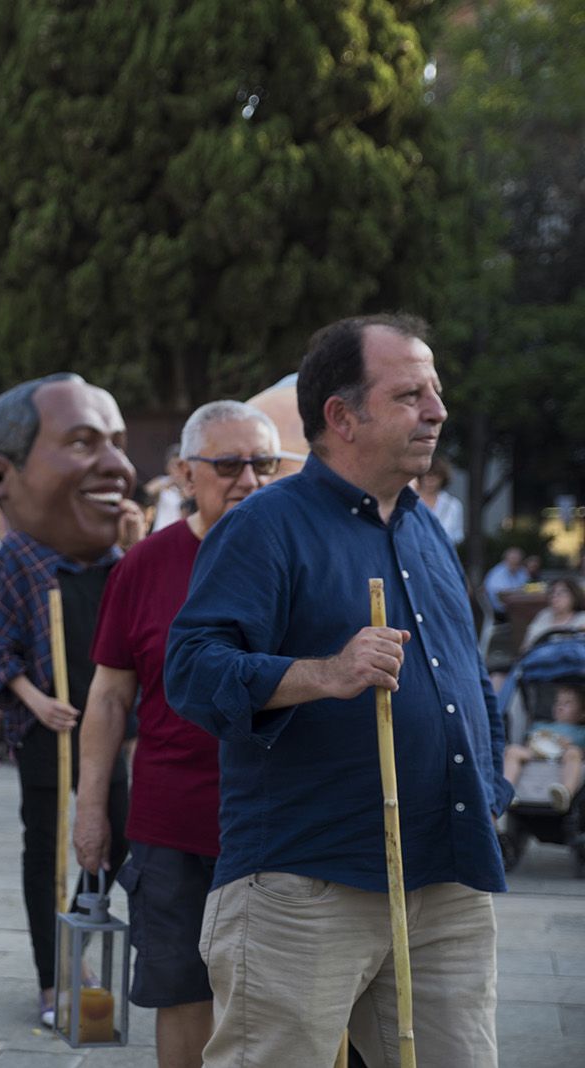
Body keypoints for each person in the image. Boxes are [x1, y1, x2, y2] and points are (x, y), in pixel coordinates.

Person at [166, 314, 509, 1068]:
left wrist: (492, 787)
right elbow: (190, 669)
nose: (437, 411)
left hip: (445, 878)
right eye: (410, 394)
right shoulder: (265, 526)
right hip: (303, 883)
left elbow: (467, 680)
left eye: (436, 391)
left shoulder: (426, 531)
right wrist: (324, 673)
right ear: (342, 416)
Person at [73, 399, 281, 1068]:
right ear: (185, 474)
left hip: (283, 822)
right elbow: (109, 696)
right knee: (181, 993)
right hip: (172, 823)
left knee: (276, 1003)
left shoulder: (299, 556)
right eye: (227, 465)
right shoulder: (145, 565)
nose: (247, 479)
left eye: (263, 464)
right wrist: (91, 807)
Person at [0, 372, 135, 1026]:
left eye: (118, 443)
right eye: (82, 442)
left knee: (114, 837)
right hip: (48, 729)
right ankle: (53, 979)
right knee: (44, 849)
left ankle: (81, 943)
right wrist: (37, 701)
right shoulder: (19, 559)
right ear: (1, 475)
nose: (117, 464)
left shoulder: (121, 562)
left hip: (105, 734)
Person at [504, 683, 585, 812]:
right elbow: (529, 739)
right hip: (537, 753)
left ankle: (565, 793)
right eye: (558, 702)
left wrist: (567, 745)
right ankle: (507, 791)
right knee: (513, 750)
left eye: (567, 704)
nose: (560, 707)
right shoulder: (540, 725)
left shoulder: (580, 731)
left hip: (562, 755)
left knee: (574, 753)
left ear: (582, 714)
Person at [522, 577, 585, 652]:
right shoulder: (544, 615)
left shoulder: (582, 618)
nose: (555, 597)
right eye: (552, 593)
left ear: (574, 596)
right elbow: (526, 646)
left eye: (561, 593)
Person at [415, 455, 464, 546]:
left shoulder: (452, 505)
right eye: (426, 476)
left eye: (435, 476)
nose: (430, 480)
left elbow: (456, 537)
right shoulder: (407, 501)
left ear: (442, 478)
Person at [484, 545, 527, 620]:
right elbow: (500, 593)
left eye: (518, 560)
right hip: (500, 609)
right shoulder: (498, 573)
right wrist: (519, 590)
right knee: (526, 612)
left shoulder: (521, 571)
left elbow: (526, 586)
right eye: (513, 559)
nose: (515, 562)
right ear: (505, 559)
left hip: (516, 605)